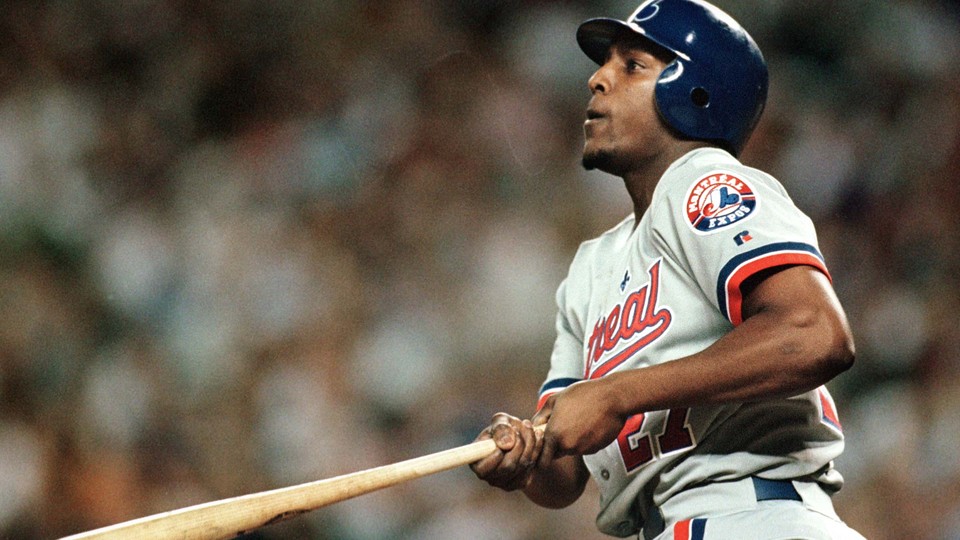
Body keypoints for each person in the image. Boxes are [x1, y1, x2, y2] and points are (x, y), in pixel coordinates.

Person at [470, 1, 866, 538]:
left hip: (754, 514)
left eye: (631, 65)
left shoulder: (705, 185)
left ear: (695, 93)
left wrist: (618, 393)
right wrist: (524, 453)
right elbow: (562, 479)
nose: (597, 78)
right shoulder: (590, 267)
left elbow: (816, 333)